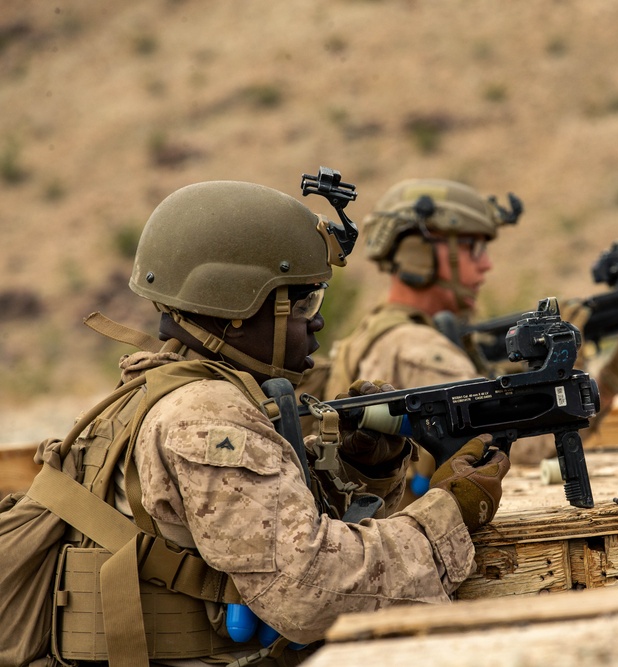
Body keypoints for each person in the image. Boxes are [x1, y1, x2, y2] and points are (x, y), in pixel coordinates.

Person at [38, 179, 510, 665]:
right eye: (303, 303)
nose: (317, 322)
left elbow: (261, 526)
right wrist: (452, 511)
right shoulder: (205, 418)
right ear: (237, 306)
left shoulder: (155, 391)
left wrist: (357, 467)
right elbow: (309, 590)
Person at [315, 178, 618, 502]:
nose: (486, 266)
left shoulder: (381, 330)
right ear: (418, 254)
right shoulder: (419, 351)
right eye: (473, 249)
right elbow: (517, 456)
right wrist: (584, 370)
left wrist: (607, 380)